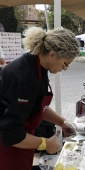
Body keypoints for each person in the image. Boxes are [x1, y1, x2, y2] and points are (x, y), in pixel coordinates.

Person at [0, 27, 80, 170]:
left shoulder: (40, 67)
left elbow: (37, 106)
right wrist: (45, 143)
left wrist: (62, 122)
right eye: (65, 64)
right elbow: (11, 134)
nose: (65, 69)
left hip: (24, 140)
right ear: (53, 54)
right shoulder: (23, 77)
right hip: (7, 146)